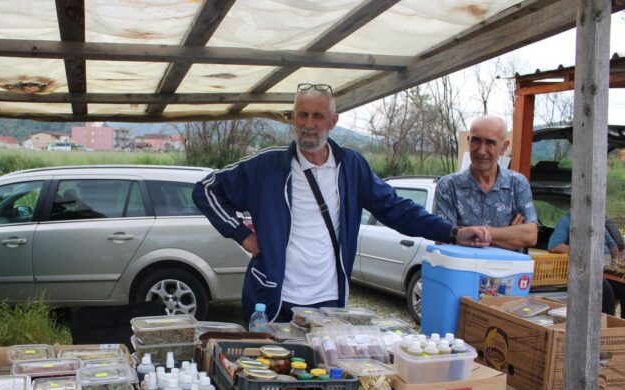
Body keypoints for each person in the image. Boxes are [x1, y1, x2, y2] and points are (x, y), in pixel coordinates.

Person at [192, 83, 491, 322]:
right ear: (293, 119)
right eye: (302, 115)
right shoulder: (267, 167)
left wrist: (451, 232)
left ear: (333, 121)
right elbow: (206, 190)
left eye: (318, 116)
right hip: (273, 302)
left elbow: (396, 209)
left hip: (329, 303)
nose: (309, 124)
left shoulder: (351, 167)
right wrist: (244, 236)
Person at [433, 115, 538, 251]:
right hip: (463, 271)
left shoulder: (517, 184)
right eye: (476, 141)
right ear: (468, 140)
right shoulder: (448, 186)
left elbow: (530, 236)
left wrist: (466, 234)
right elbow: (442, 239)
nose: (481, 150)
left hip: (506, 272)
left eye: (490, 142)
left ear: (504, 147)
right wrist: (510, 235)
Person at [549, 212, 625, 318]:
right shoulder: (567, 221)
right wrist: (583, 251)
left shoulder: (598, 222)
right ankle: (607, 326)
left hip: (605, 269)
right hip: (584, 270)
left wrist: (614, 252)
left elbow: (615, 247)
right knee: (604, 289)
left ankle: (621, 328)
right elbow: (554, 246)